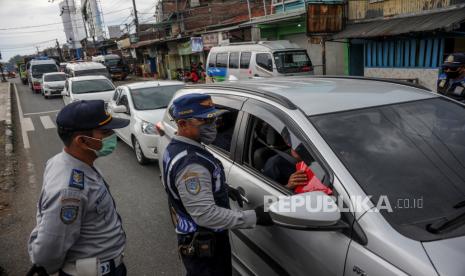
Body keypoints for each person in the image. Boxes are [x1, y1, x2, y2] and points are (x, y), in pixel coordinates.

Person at [162, 93, 273, 276]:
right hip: (206, 246)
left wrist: (221, 189)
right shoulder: (191, 164)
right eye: (205, 122)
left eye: (214, 120)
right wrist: (255, 217)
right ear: (182, 124)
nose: (213, 126)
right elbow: (206, 216)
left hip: (198, 240)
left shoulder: (178, 147)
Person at [27, 100, 129, 276]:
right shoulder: (69, 190)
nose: (113, 135)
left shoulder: (69, 161)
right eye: (105, 132)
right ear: (82, 141)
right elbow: (47, 252)